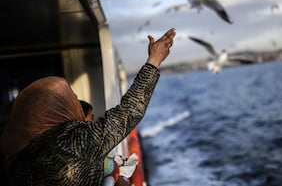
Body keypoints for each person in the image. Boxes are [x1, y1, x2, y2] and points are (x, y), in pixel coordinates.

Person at [0, 28, 176, 185]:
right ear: (58, 108)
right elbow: (128, 113)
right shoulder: (70, 141)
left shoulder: (19, 161)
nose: (76, 102)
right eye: (72, 99)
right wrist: (154, 60)